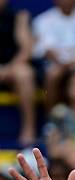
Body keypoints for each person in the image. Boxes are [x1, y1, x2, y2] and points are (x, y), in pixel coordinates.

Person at [0, 0, 36, 145]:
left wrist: (7, 69)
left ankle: (28, 128)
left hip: (13, 67)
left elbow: (26, 49)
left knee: (25, 74)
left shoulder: (20, 17)